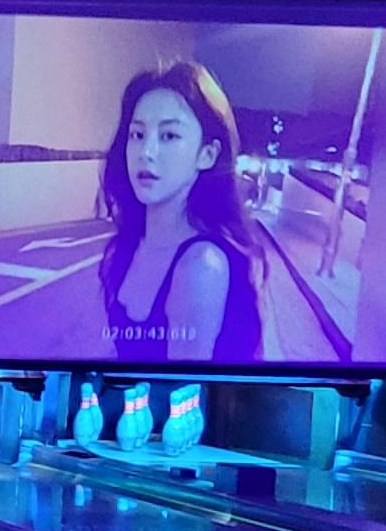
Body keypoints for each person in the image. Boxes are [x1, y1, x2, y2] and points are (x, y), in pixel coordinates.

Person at [97, 58, 267, 365]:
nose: (146, 152)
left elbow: (183, 389)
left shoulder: (201, 265)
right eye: (137, 135)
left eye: (169, 136)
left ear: (207, 155)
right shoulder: (131, 244)